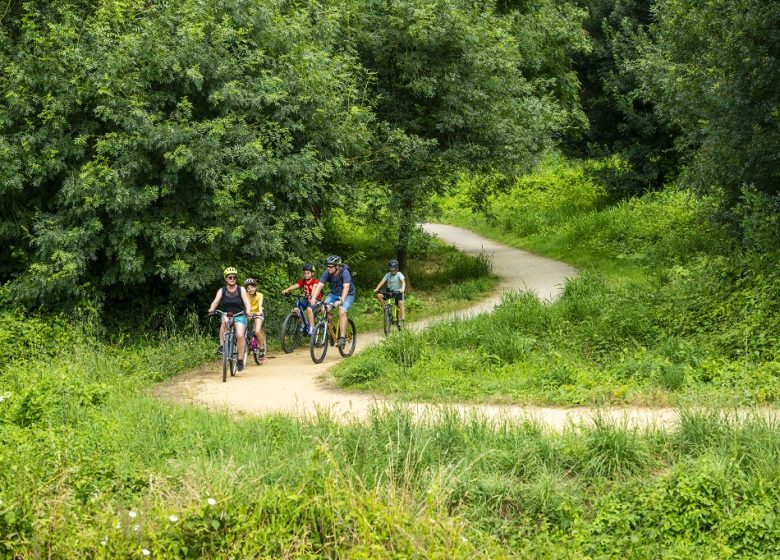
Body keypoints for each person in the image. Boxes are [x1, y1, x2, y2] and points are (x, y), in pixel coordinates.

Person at [207, 267, 252, 371]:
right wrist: (211, 309)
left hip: (240, 314)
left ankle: (240, 359)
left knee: (240, 335)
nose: (232, 279)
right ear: (226, 279)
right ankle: (222, 346)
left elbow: (246, 303)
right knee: (224, 323)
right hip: (227, 314)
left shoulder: (241, 289)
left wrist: (248, 310)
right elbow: (215, 301)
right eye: (230, 277)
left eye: (234, 277)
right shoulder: (222, 290)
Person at [309, 255, 355, 348]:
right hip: (334, 294)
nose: (328, 268)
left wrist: (341, 300)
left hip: (347, 295)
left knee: (342, 311)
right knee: (324, 309)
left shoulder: (345, 273)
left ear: (337, 266)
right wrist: (313, 298)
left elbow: (346, 287)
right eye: (327, 266)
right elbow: (320, 285)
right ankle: (332, 329)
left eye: (331, 266)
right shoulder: (327, 273)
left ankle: (342, 338)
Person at [281, 264, 321, 335]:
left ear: (312, 273)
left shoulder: (315, 281)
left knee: (309, 309)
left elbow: (314, 288)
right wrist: (287, 290)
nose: (306, 275)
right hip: (306, 299)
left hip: (315, 299)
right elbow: (295, 285)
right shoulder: (303, 281)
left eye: (308, 273)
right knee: (296, 309)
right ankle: (304, 324)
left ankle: (312, 328)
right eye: (305, 273)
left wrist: (311, 296)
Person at [373, 259, 406, 326]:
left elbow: (403, 282)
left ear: (397, 268)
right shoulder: (388, 275)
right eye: (391, 269)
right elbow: (382, 281)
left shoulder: (399, 274)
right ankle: (385, 309)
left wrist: (402, 289)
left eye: (393, 269)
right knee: (379, 295)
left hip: (398, 291)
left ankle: (402, 320)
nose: (392, 271)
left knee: (401, 303)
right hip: (389, 291)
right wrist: (377, 288)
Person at [244, 278, 265, 359]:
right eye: (248, 288)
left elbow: (260, 305)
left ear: (255, 287)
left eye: (252, 287)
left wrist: (259, 311)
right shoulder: (245, 295)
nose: (250, 289)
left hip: (258, 314)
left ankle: (262, 348)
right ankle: (248, 342)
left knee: (257, 331)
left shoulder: (260, 295)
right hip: (248, 313)